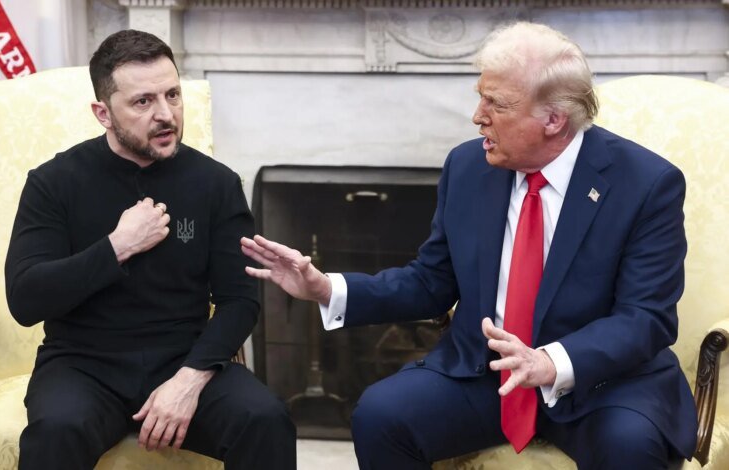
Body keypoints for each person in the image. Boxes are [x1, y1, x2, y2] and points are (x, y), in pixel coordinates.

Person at [241, 21, 697, 469]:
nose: (478, 115)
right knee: (381, 416)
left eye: (496, 103)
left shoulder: (645, 184)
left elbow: (645, 318)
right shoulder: (468, 167)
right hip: (487, 374)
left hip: (600, 384)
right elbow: (431, 281)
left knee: (631, 447)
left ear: (553, 119)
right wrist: (327, 289)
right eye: (481, 96)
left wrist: (550, 362)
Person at [5, 29, 296, 470]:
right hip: (82, 364)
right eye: (143, 101)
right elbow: (25, 299)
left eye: (172, 95)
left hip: (183, 358)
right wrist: (116, 247)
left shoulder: (216, 184)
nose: (166, 114)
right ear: (103, 113)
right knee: (56, 430)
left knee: (265, 419)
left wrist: (189, 380)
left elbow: (240, 300)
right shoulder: (53, 182)